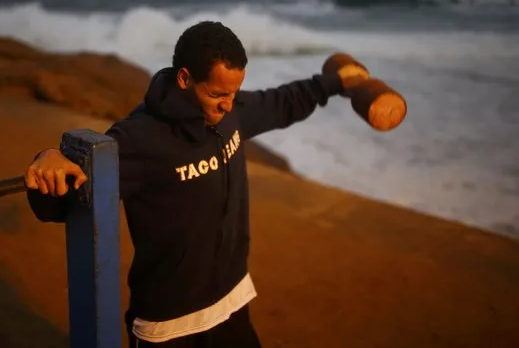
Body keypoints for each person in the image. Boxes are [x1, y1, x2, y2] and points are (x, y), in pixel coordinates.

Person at [24, 21, 364, 347]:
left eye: (234, 92)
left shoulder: (229, 109)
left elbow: (282, 102)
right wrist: (48, 161)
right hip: (170, 327)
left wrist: (332, 83)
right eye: (217, 93)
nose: (228, 104)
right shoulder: (139, 139)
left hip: (232, 301)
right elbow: (66, 202)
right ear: (185, 78)